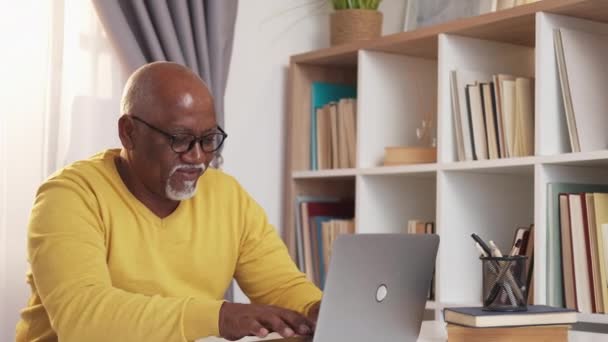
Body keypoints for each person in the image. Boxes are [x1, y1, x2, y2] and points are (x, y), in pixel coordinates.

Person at [15, 61, 322, 342]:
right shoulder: (70, 196)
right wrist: (220, 316)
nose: (198, 156)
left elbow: (281, 286)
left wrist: (318, 310)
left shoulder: (228, 196)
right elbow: (83, 319)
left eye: (208, 140)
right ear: (129, 133)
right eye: (179, 139)